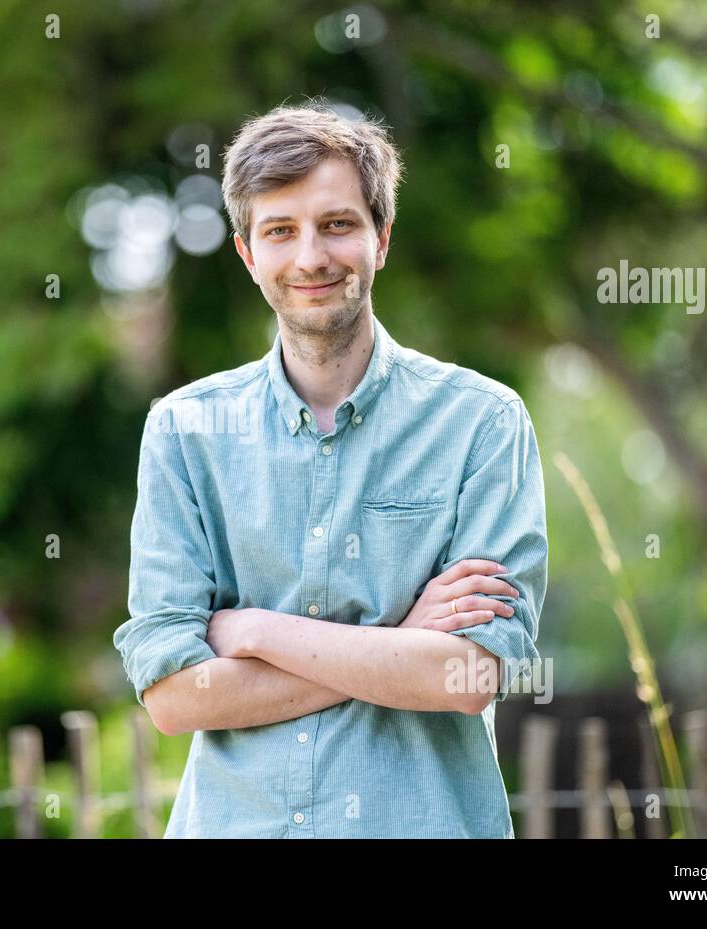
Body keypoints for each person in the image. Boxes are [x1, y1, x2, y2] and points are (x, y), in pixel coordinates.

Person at [113, 100, 548, 838]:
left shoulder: (482, 423)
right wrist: (399, 639)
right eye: (280, 230)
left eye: (337, 224)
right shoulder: (184, 432)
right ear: (249, 253)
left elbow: (468, 676)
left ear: (382, 237)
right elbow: (174, 698)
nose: (311, 255)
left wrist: (249, 629)